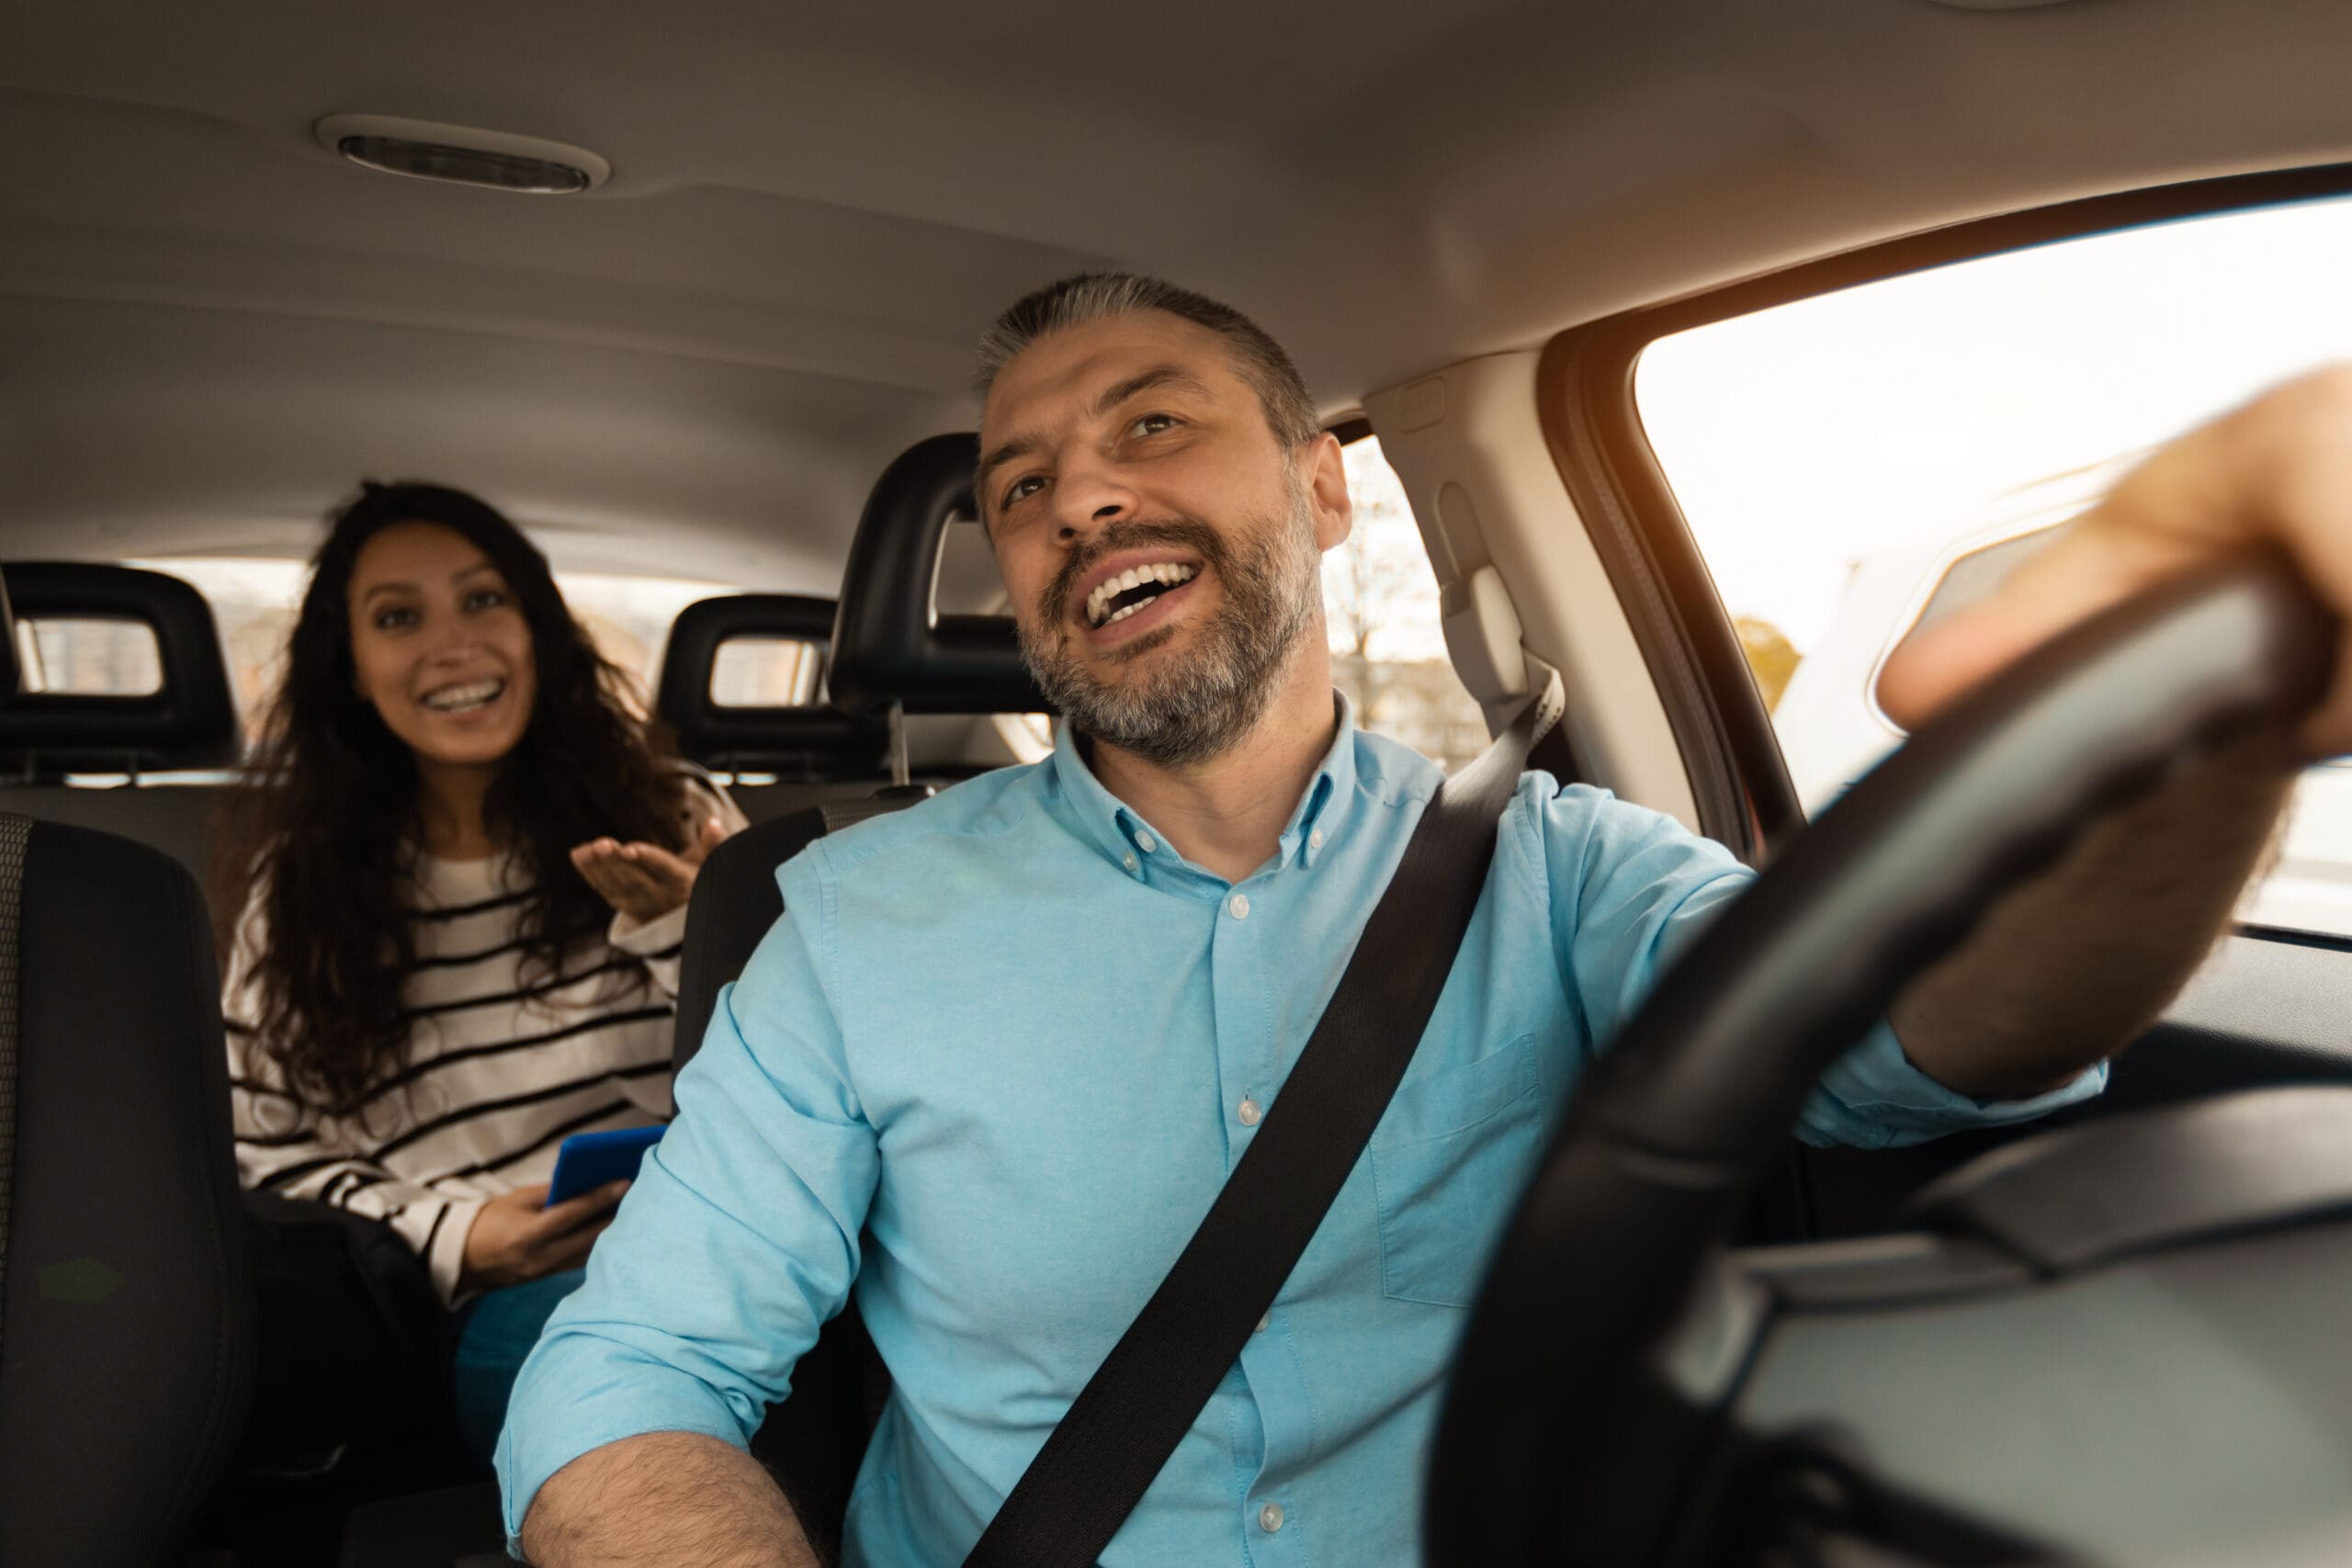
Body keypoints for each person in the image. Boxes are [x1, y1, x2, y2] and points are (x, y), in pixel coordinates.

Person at [502, 275, 2321, 1566]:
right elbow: (631, 1361)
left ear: (1317, 481)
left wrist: (2199, 728)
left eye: (1152, 425)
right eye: (1019, 487)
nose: (1082, 500)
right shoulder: (844, 922)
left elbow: (1921, 1043)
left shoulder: (1566, 865)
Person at [213, 480, 746, 1464]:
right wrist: (458, 1237)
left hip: (735, 1244)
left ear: (536, 629)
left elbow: (809, 1071)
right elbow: (261, 1159)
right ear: (352, 671)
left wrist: (685, 930)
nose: (453, 645)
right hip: (499, 1305)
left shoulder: (672, 813)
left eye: (483, 599)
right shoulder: (294, 900)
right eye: (398, 618)